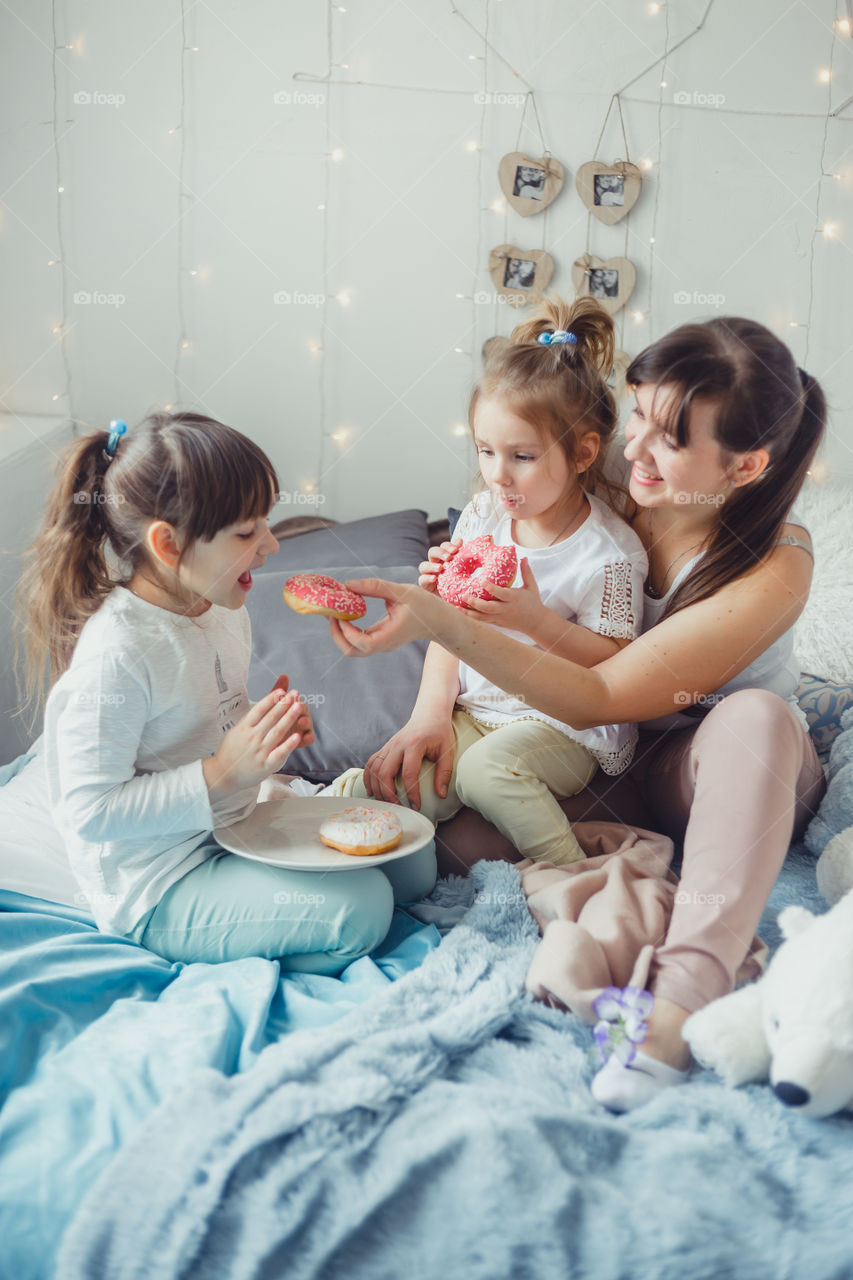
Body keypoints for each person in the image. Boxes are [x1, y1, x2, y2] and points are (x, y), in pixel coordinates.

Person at [326, 316, 827, 1109]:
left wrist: (451, 617)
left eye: (667, 438)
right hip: (612, 765)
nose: (634, 449)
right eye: (635, 416)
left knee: (757, 718)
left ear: (745, 466)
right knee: (435, 829)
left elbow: (603, 691)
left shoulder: (775, 563)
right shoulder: (606, 501)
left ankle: (677, 1003)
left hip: (724, 775)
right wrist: (449, 613)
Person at [11, 411, 435, 972]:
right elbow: (89, 811)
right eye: (246, 532)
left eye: (265, 522)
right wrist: (221, 775)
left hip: (233, 826)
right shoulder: (117, 653)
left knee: (416, 864)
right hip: (159, 880)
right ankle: (225, 952)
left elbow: (202, 723)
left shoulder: (221, 608)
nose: (271, 546)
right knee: (364, 911)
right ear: (169, 544)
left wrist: (263, 736)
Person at [331, 297, 647, 869]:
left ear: (583, 453)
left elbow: (614, 666)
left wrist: (534, 621)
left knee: (484, 772)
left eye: (522, 455)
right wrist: (429, 715)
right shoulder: (484, 517)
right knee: (391, 783)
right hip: (474, 711)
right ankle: (318, 844)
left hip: (564, 726)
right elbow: (448, 633)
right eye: (485, 450)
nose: (497, 473)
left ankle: (575, 878)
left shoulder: (610, 554)